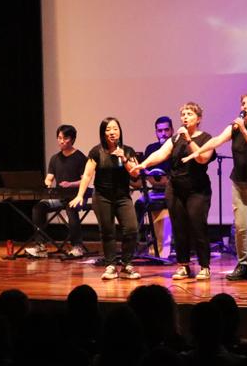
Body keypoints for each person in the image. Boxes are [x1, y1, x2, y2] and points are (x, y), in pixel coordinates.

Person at [185, 92, 247, 282]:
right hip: (239, 182)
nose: (244, 106)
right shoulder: (234, 127)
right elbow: (217, 140)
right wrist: (197, 152)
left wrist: (243, 129)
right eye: (242, 103)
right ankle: (243, 265)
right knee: (239, 227)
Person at [139, 103, 214, 281]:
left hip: (197, 189)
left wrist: (189, 139)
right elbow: (160, 154)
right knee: (179, 227)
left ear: (199, 118)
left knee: (197, 225)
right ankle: (183, 265)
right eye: (183, 114)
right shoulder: (174, 139)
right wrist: (144, 164)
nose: (185, 117)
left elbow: (202, 158)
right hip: (175, 188)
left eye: (189, 114)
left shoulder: (206, 138)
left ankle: (204, 266)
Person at [70, 118, 142, 280]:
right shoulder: (96, 152)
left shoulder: (128, 151)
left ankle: (127, 264)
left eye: (115, 129)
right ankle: (110, 266)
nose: (112, 132)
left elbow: (136, 174)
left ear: (120, 131)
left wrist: (124, 158)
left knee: (131, 229)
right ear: (103, 133)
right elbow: (88, 175)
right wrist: (80, 195)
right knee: (108, 232)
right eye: (108, 129)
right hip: (102, 197)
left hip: (123, 197)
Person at [24, 124, 87, 258]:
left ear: (72, 139)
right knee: (38, 208)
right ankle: (40, 246)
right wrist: (44, 184)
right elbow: (49, 178)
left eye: (65, 138)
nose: (61, 141)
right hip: (59, 197)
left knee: (71, 208)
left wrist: (70, 184)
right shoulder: (55, 158)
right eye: (59, 138)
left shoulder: (80, 157)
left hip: (76, 196)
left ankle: (77, 246)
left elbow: (85, 180)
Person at [139, 115, 175, 258]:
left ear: (172, 130)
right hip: (155, 190)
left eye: (166, 130)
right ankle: (153, 248)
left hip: (172, 191)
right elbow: (147, 172)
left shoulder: (176, 147)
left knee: (165, 215)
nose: (163, 134)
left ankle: (163, 252)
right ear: (156, 132)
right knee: (140, 205)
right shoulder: (152, 148)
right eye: (160, 131)